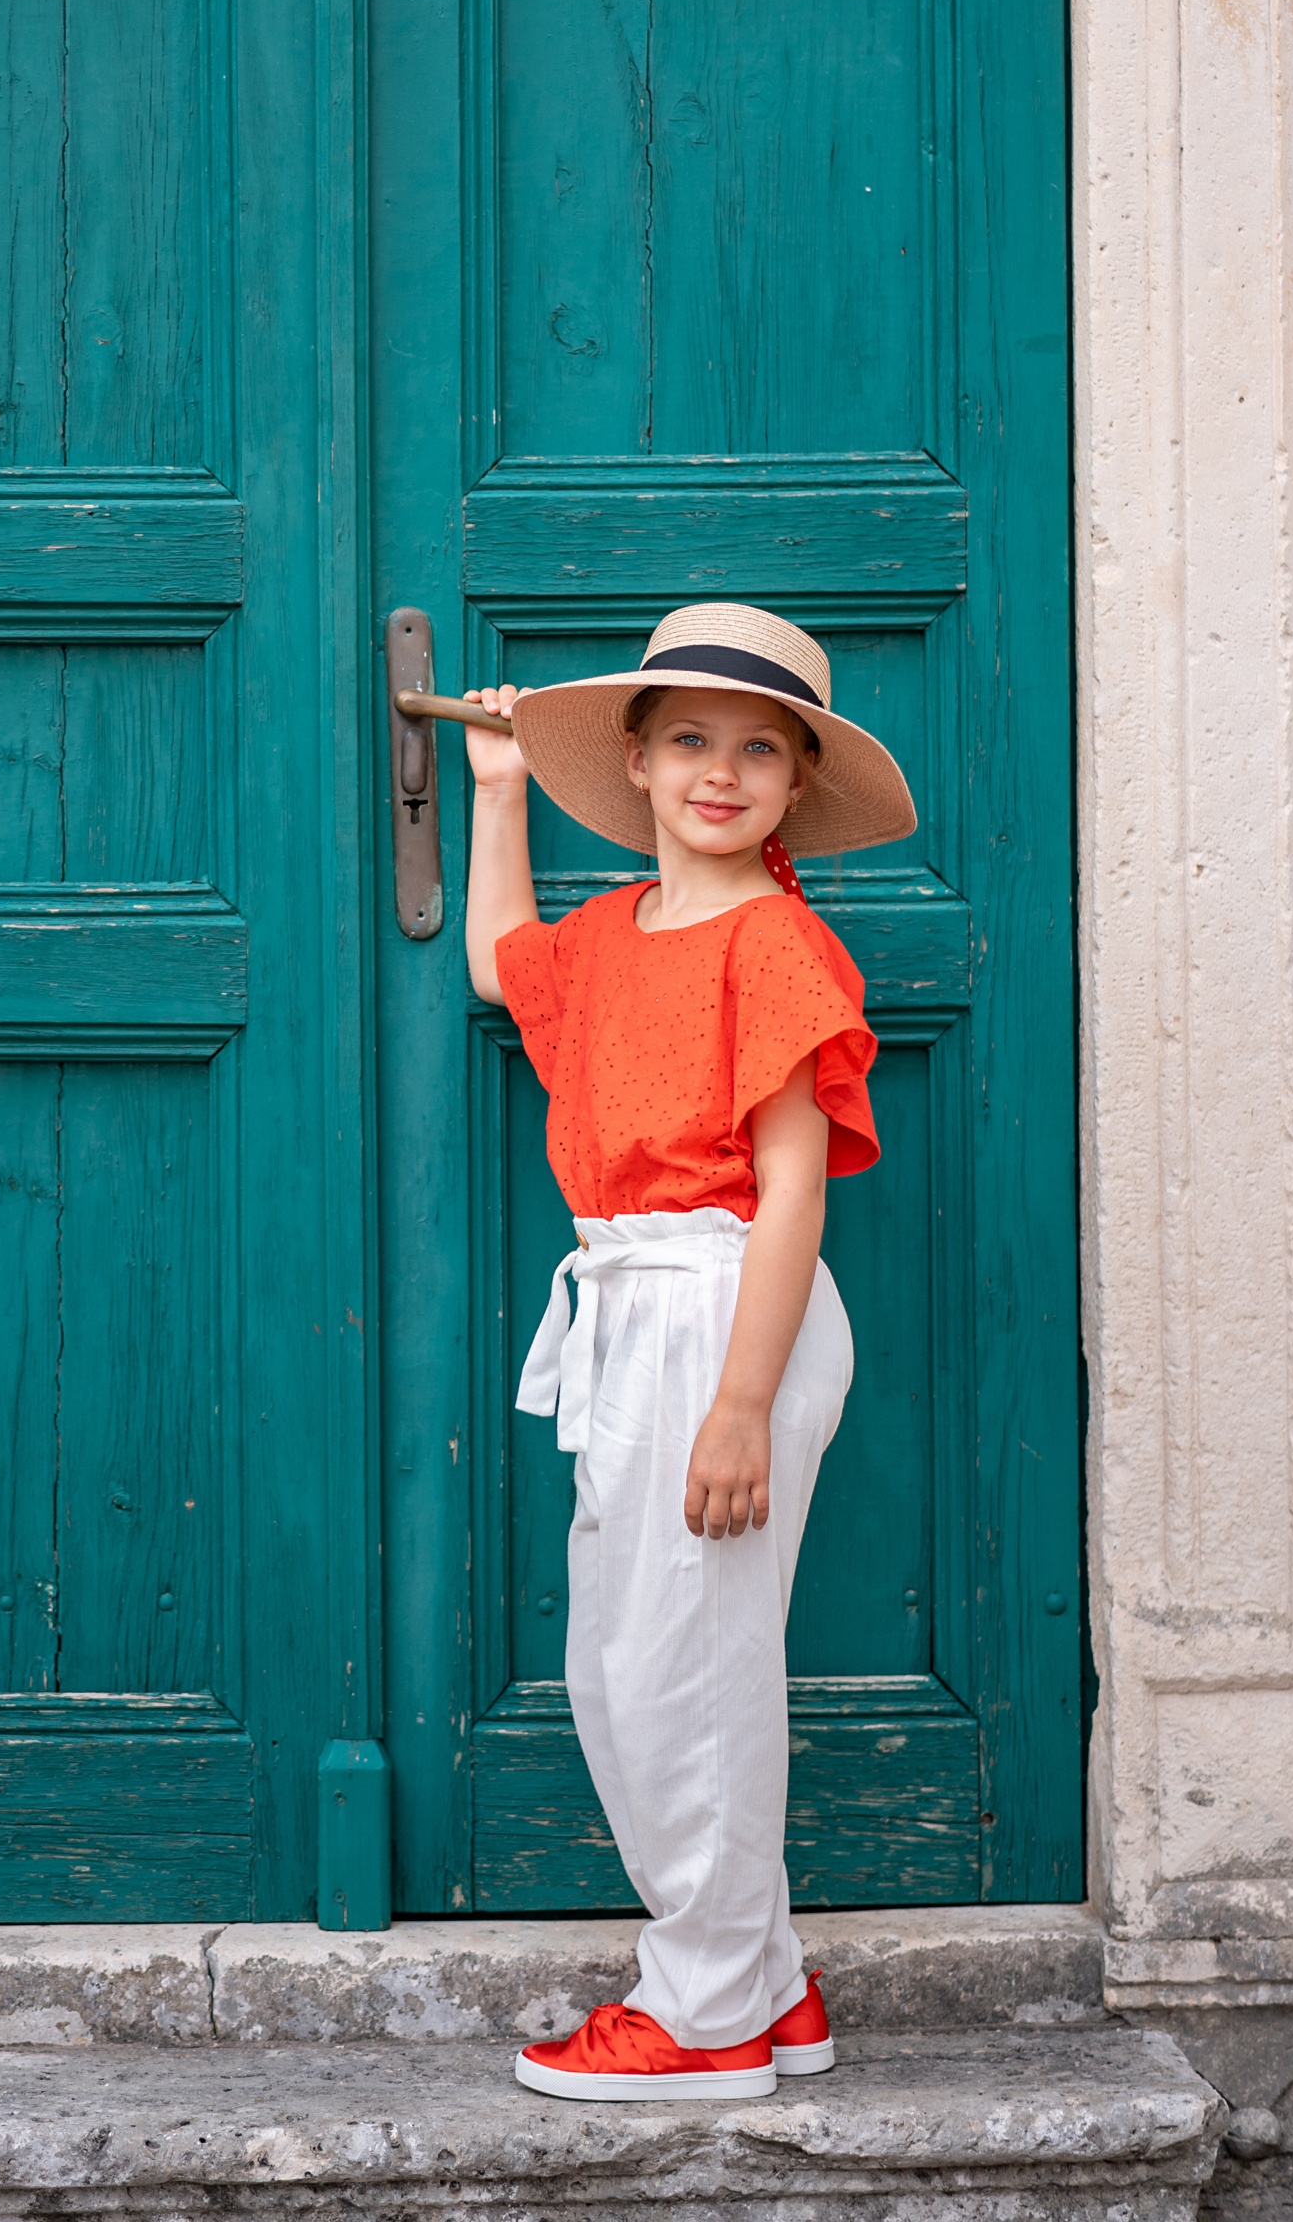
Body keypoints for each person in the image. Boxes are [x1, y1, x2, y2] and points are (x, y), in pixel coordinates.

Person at [462, 601, 917, 2102]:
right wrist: (498, 790)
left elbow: (793, 1186)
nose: (722, 773)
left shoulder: (775, 944)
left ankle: (707, 2010)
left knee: (680, 1670)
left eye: (761, 751)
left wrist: (738, 1402)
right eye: (694, 743)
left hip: (730, 1312)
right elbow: (498, 964)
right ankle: (768, 1983)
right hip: (639, 1306)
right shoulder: (615, 936)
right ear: (645, 765)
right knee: (635, 1658)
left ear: (794, 787)